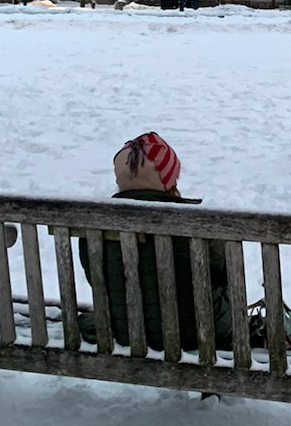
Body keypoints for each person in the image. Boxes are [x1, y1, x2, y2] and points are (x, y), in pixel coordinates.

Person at [78, 133, 235, 353]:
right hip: (200, 332)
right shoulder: (199, 224)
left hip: (127, 333)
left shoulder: (94, 226)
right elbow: (225, 274)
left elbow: (97, 279)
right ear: (168, 180)